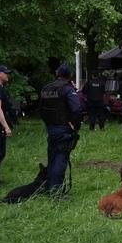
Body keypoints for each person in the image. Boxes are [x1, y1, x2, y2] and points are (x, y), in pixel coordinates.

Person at [39, 63, 82, 195]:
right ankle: (56, 191)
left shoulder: (46, 88)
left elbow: (40, 109)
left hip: (51, 128)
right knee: (60, 159)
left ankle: (49, 185)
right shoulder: (67, 89)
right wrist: (75, 126)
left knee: (52, 158)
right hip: (63, 128)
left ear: (57, 74)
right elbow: (77, 108)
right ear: (70, 76)